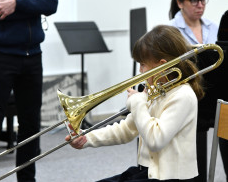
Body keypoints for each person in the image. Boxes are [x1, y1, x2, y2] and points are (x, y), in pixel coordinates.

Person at [65, 25, 204, 182]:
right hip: (148, 171)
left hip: (171, 177)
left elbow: (155, 140)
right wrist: (87, 138)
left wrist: (138, 103)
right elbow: (127, 129)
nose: (140, 70)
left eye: (143, 64)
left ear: (162, 65)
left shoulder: (183, 95)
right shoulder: (156, 90)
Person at [0, 0, 58, 182]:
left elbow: (51, 3)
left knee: (30, 125)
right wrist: (33, 4)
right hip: (0, 56)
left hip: (33, 56)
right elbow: (0, 10)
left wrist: (16, 3)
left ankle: (27, 179)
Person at [169, 0, 228, 181]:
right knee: (195, 162)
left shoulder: (214, 26)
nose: (200, 4)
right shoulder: (169, 31)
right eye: (194, 0)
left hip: (214, 94)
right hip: (187, 98)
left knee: (226, 115)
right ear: (180, 2)